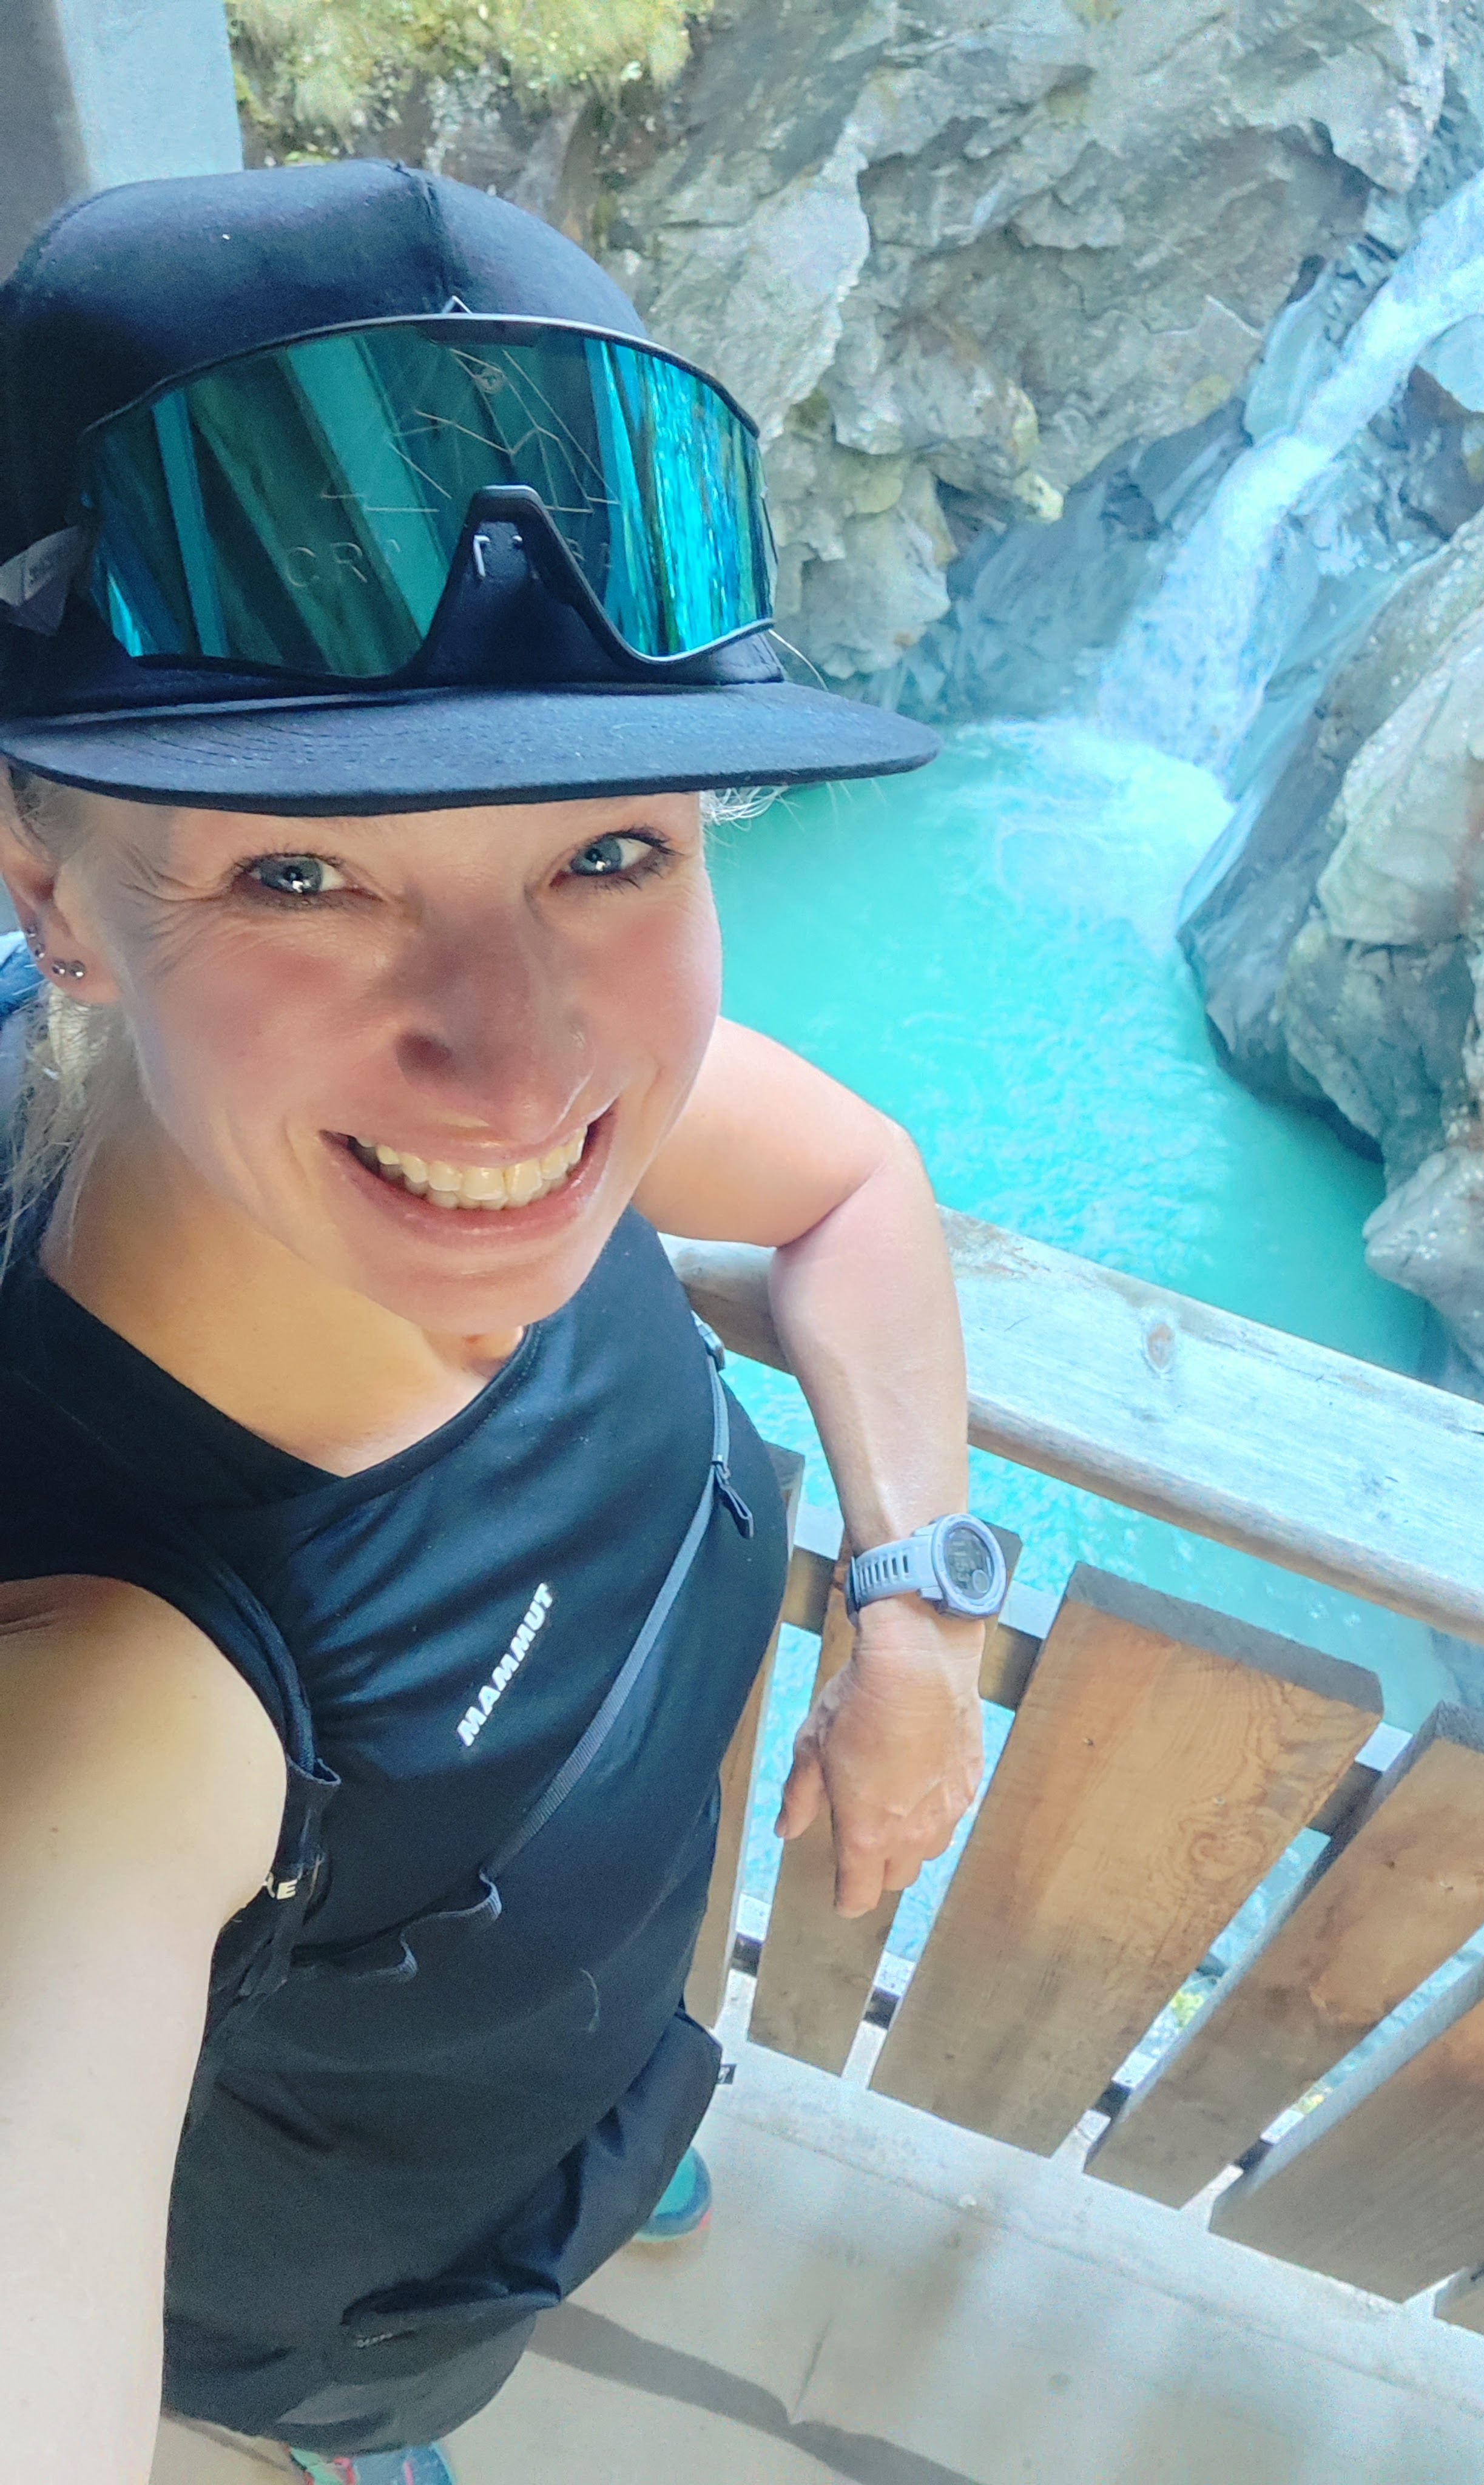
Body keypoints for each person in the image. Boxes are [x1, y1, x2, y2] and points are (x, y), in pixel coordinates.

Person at [0, 160, 1011, 2484]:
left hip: (600, 2055)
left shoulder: (419, 1136)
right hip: (343, 2304)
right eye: (301, 873)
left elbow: (853, 1181)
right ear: (51, 898)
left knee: (622, 2132)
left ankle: (627, 2149)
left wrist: (919, 1605)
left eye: (606, 850)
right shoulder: (109, 1699)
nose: (524, 1069)